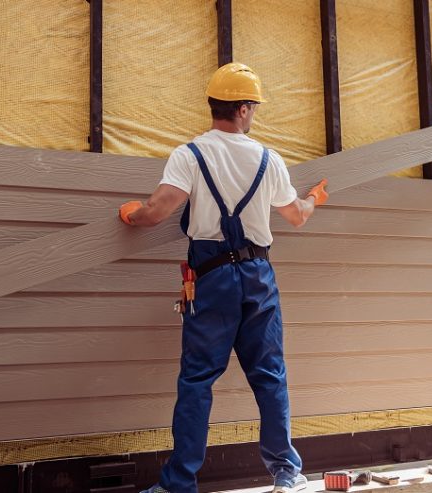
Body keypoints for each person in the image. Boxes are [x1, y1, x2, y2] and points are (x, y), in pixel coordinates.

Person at [118, 63, 328, 493]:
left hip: (210, 278)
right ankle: (286, 475)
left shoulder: (189, 155)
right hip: (257, 276)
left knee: (197, 381)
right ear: (245, 108)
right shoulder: (270, 160)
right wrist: (313, 197)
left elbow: (156, 212)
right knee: (269, 376)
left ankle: (179, 484)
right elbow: (297, 217)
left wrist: (131, 214)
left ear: (214, 105)